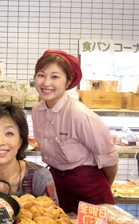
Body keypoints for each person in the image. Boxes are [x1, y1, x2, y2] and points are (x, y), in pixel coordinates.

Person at [31, 50, 119, 214]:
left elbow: (109, 161)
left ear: (68, 81)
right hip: (56, 181)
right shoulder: (37, 110)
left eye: (55, 77)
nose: (46, 82)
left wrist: (100, 186)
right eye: (41, 75)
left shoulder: (80, 114)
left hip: (88, 186)